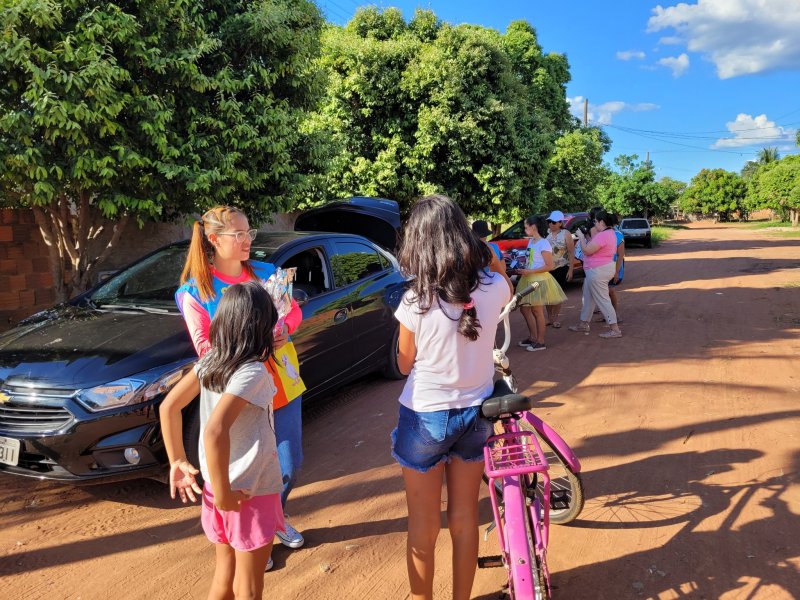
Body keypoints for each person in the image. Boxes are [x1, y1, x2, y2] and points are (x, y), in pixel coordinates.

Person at [393, 195, 511, 600]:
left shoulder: (416, 299)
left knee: (423, 524)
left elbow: (404, 364)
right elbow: (501, 279)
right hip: (477, 413)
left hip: (425, 416)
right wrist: (487, 255)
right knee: (464, 518)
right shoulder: (494, 287)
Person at [175, 206, 306, 562]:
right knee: (242, 470)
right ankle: (247, 539)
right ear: (214, 239)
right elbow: (204, 348)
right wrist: (254, 342)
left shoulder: (268, 273)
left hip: (282, 383)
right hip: (236, 394)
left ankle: (273, 519)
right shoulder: (195, 291)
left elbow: (293, 312)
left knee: (289, 464)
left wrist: (284, 328)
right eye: (239, 235)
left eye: (250, 233)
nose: (248, 240)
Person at [160, 282, 284, 599]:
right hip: (249, 491)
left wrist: (177, 461)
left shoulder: (210, 361)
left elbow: (169, 407)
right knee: (250, 587)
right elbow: (215, 430)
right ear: (260, 327)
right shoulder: (253, 372)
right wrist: (227, 494)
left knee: (224, 575)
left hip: (217, 489)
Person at [513, 215, 567, 352]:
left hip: (538, 280)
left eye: (526, 227)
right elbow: (532, 260)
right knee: (524, 309)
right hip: (528, 278)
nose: (525, 229)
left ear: (533, 227)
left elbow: (550, 266)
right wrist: (524, 269)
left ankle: (540, 341)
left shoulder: (543, 243)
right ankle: (533, 337)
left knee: (537, 311)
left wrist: (530, 271)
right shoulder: (532, 241)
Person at [570, 210, 623, 338]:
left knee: (603, 300)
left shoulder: (603, 235)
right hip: (598, 270)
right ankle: (583, 324)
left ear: (602, 222)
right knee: (588, 297)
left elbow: (587, 251)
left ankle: (615, 329)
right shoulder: (609, 233)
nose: (594, 224)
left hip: (597, 271)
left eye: (596, 221)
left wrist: (581, 237)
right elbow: (594, 246)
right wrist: (586, 236)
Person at [544, 210, 575, 329]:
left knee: (557, 294)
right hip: (547, 268)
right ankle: (549, 318)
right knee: (547, 294)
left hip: (562, 267)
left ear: (560, 223)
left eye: (554, 222)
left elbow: (571, 252)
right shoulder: (546, 234)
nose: (551, 224)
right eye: (549, 222)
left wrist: (571, 270)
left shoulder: (566, 234)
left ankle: (555, 318)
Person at [472, 219, 514, 293]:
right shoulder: (495, 247)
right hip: (495, 284)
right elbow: (503, 268)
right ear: (486, 235)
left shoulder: (469, 249)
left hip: (477, 286)